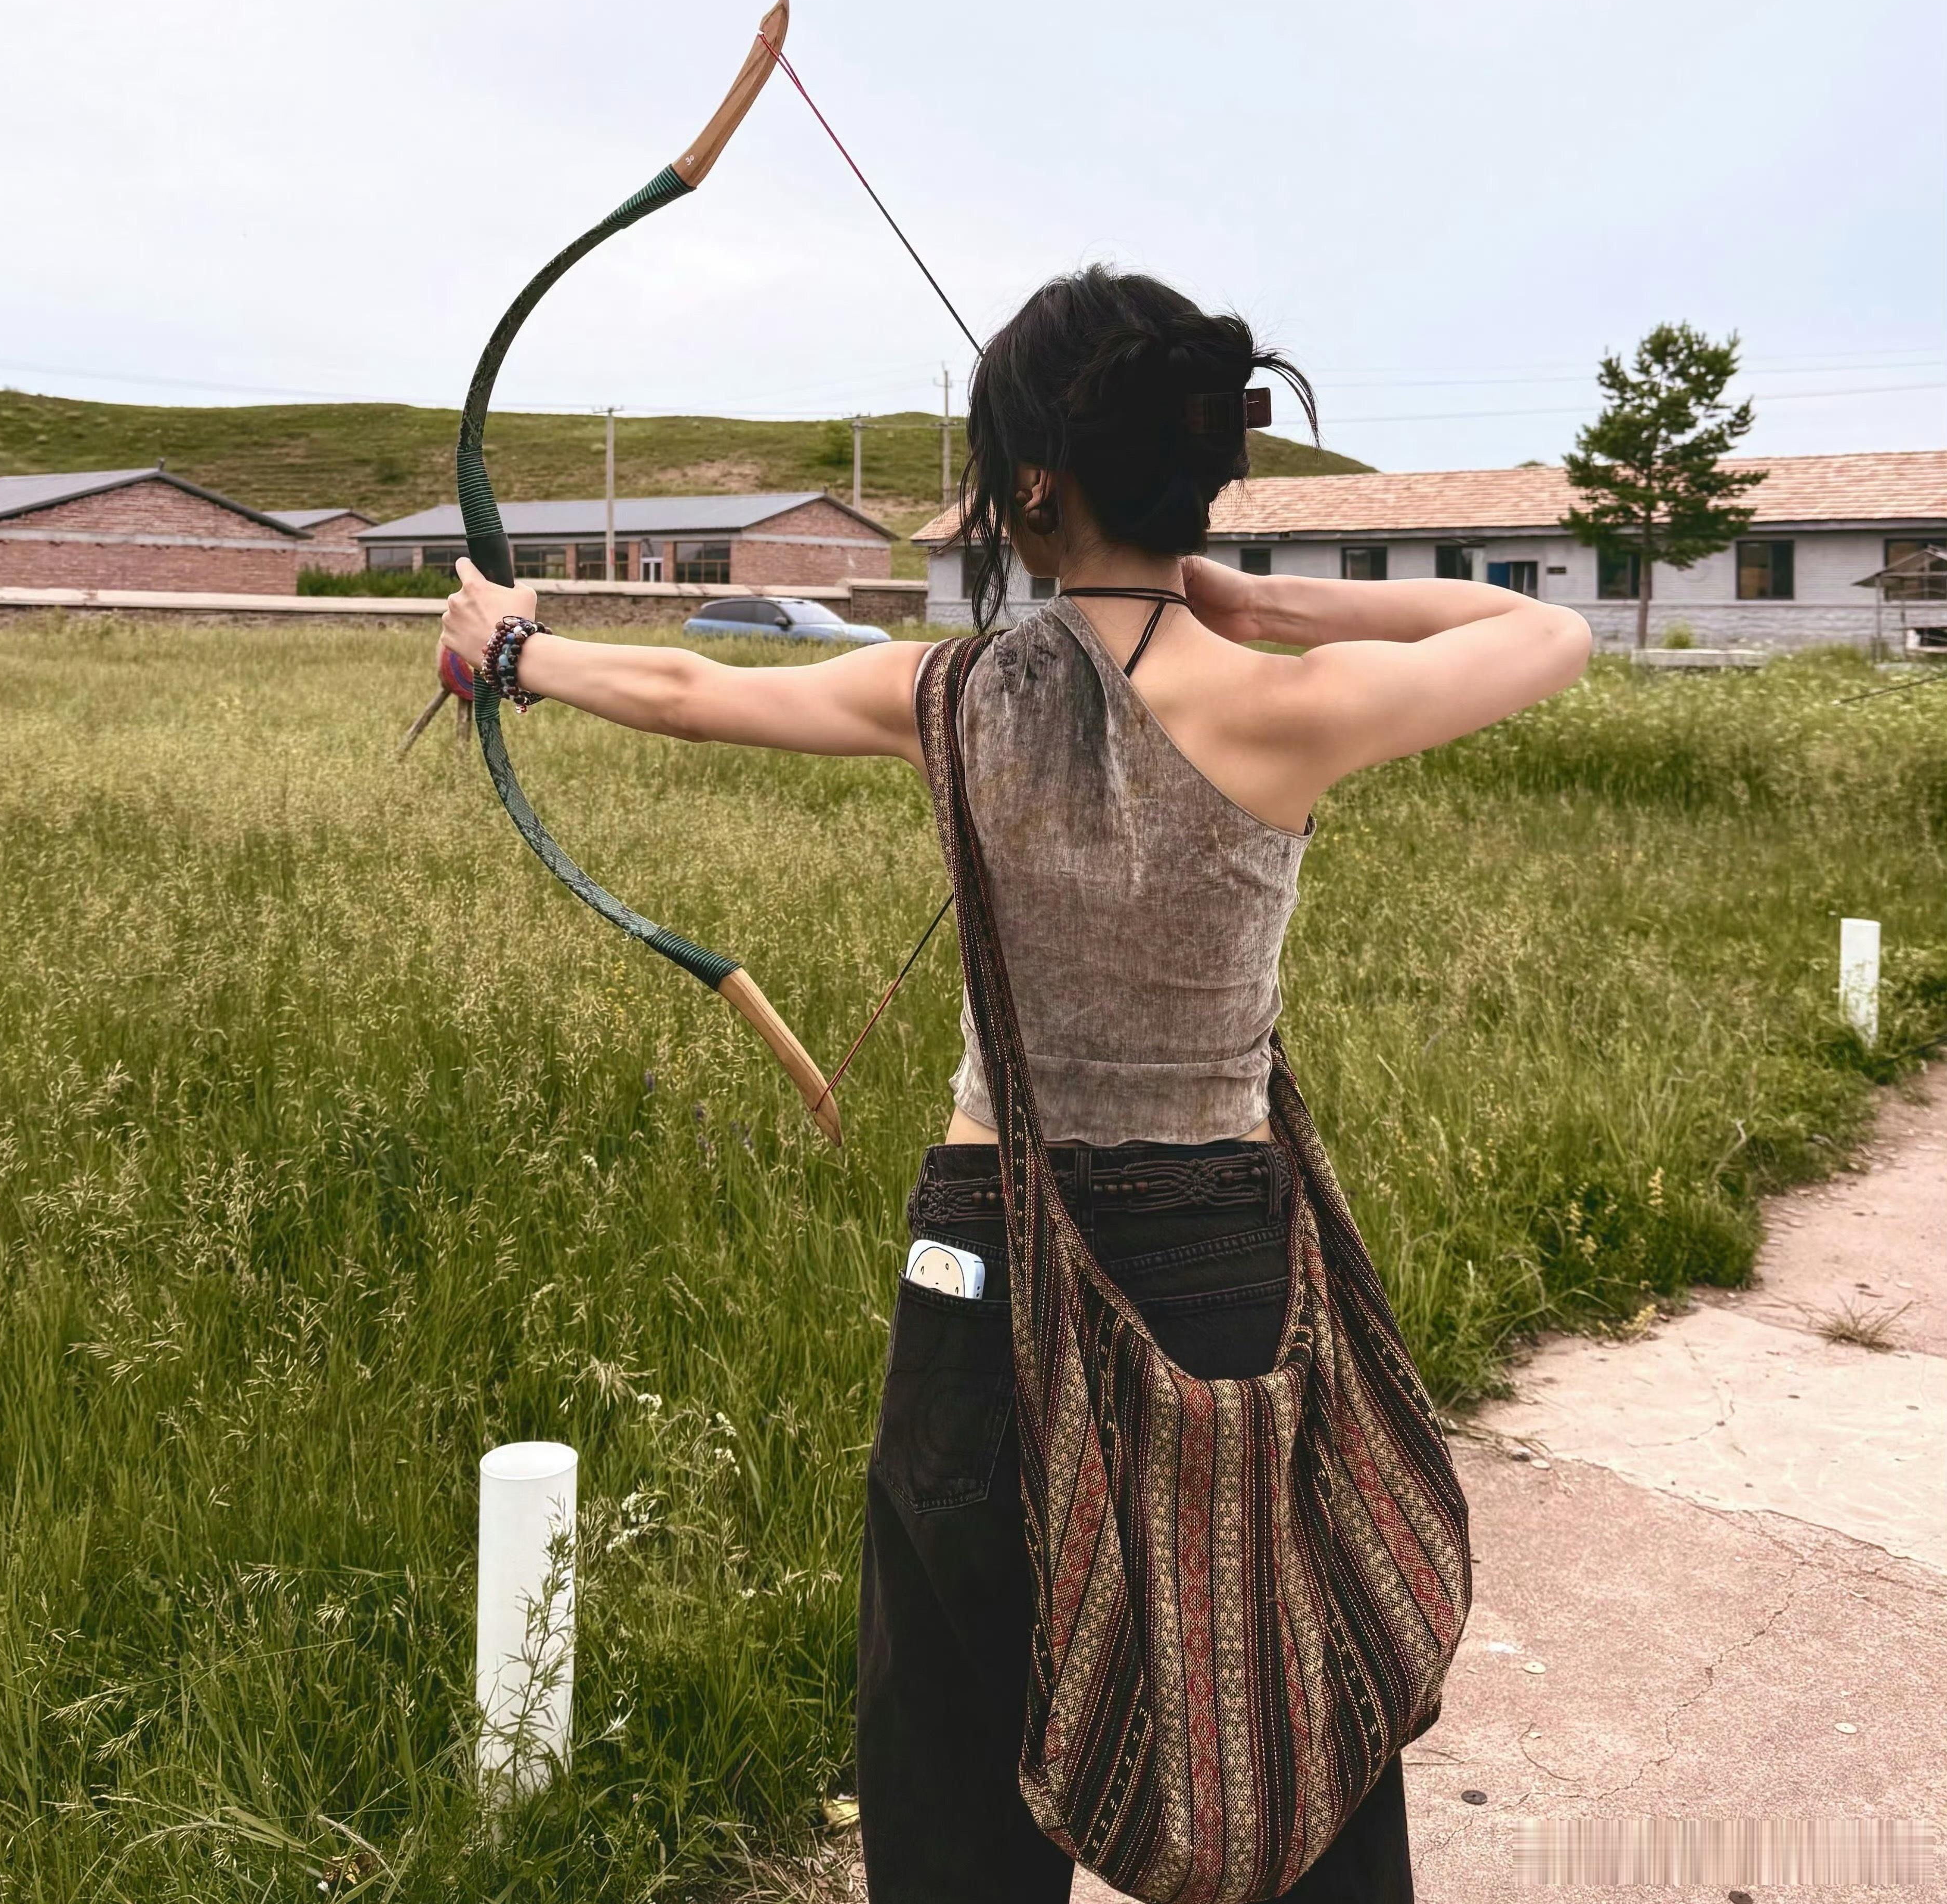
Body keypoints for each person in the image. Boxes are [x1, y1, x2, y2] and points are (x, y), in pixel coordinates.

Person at [441, 264, 1592, 1904]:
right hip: (1218, 1255)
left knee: (954, 1738)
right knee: (1280, 1668)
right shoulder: (1288, 704)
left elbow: (694, 695)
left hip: (990, 1257)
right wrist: (1265, 607)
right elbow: (1541, 631)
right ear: (1190, 474)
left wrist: (514, 646)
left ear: (1033, 485)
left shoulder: (956, 690)